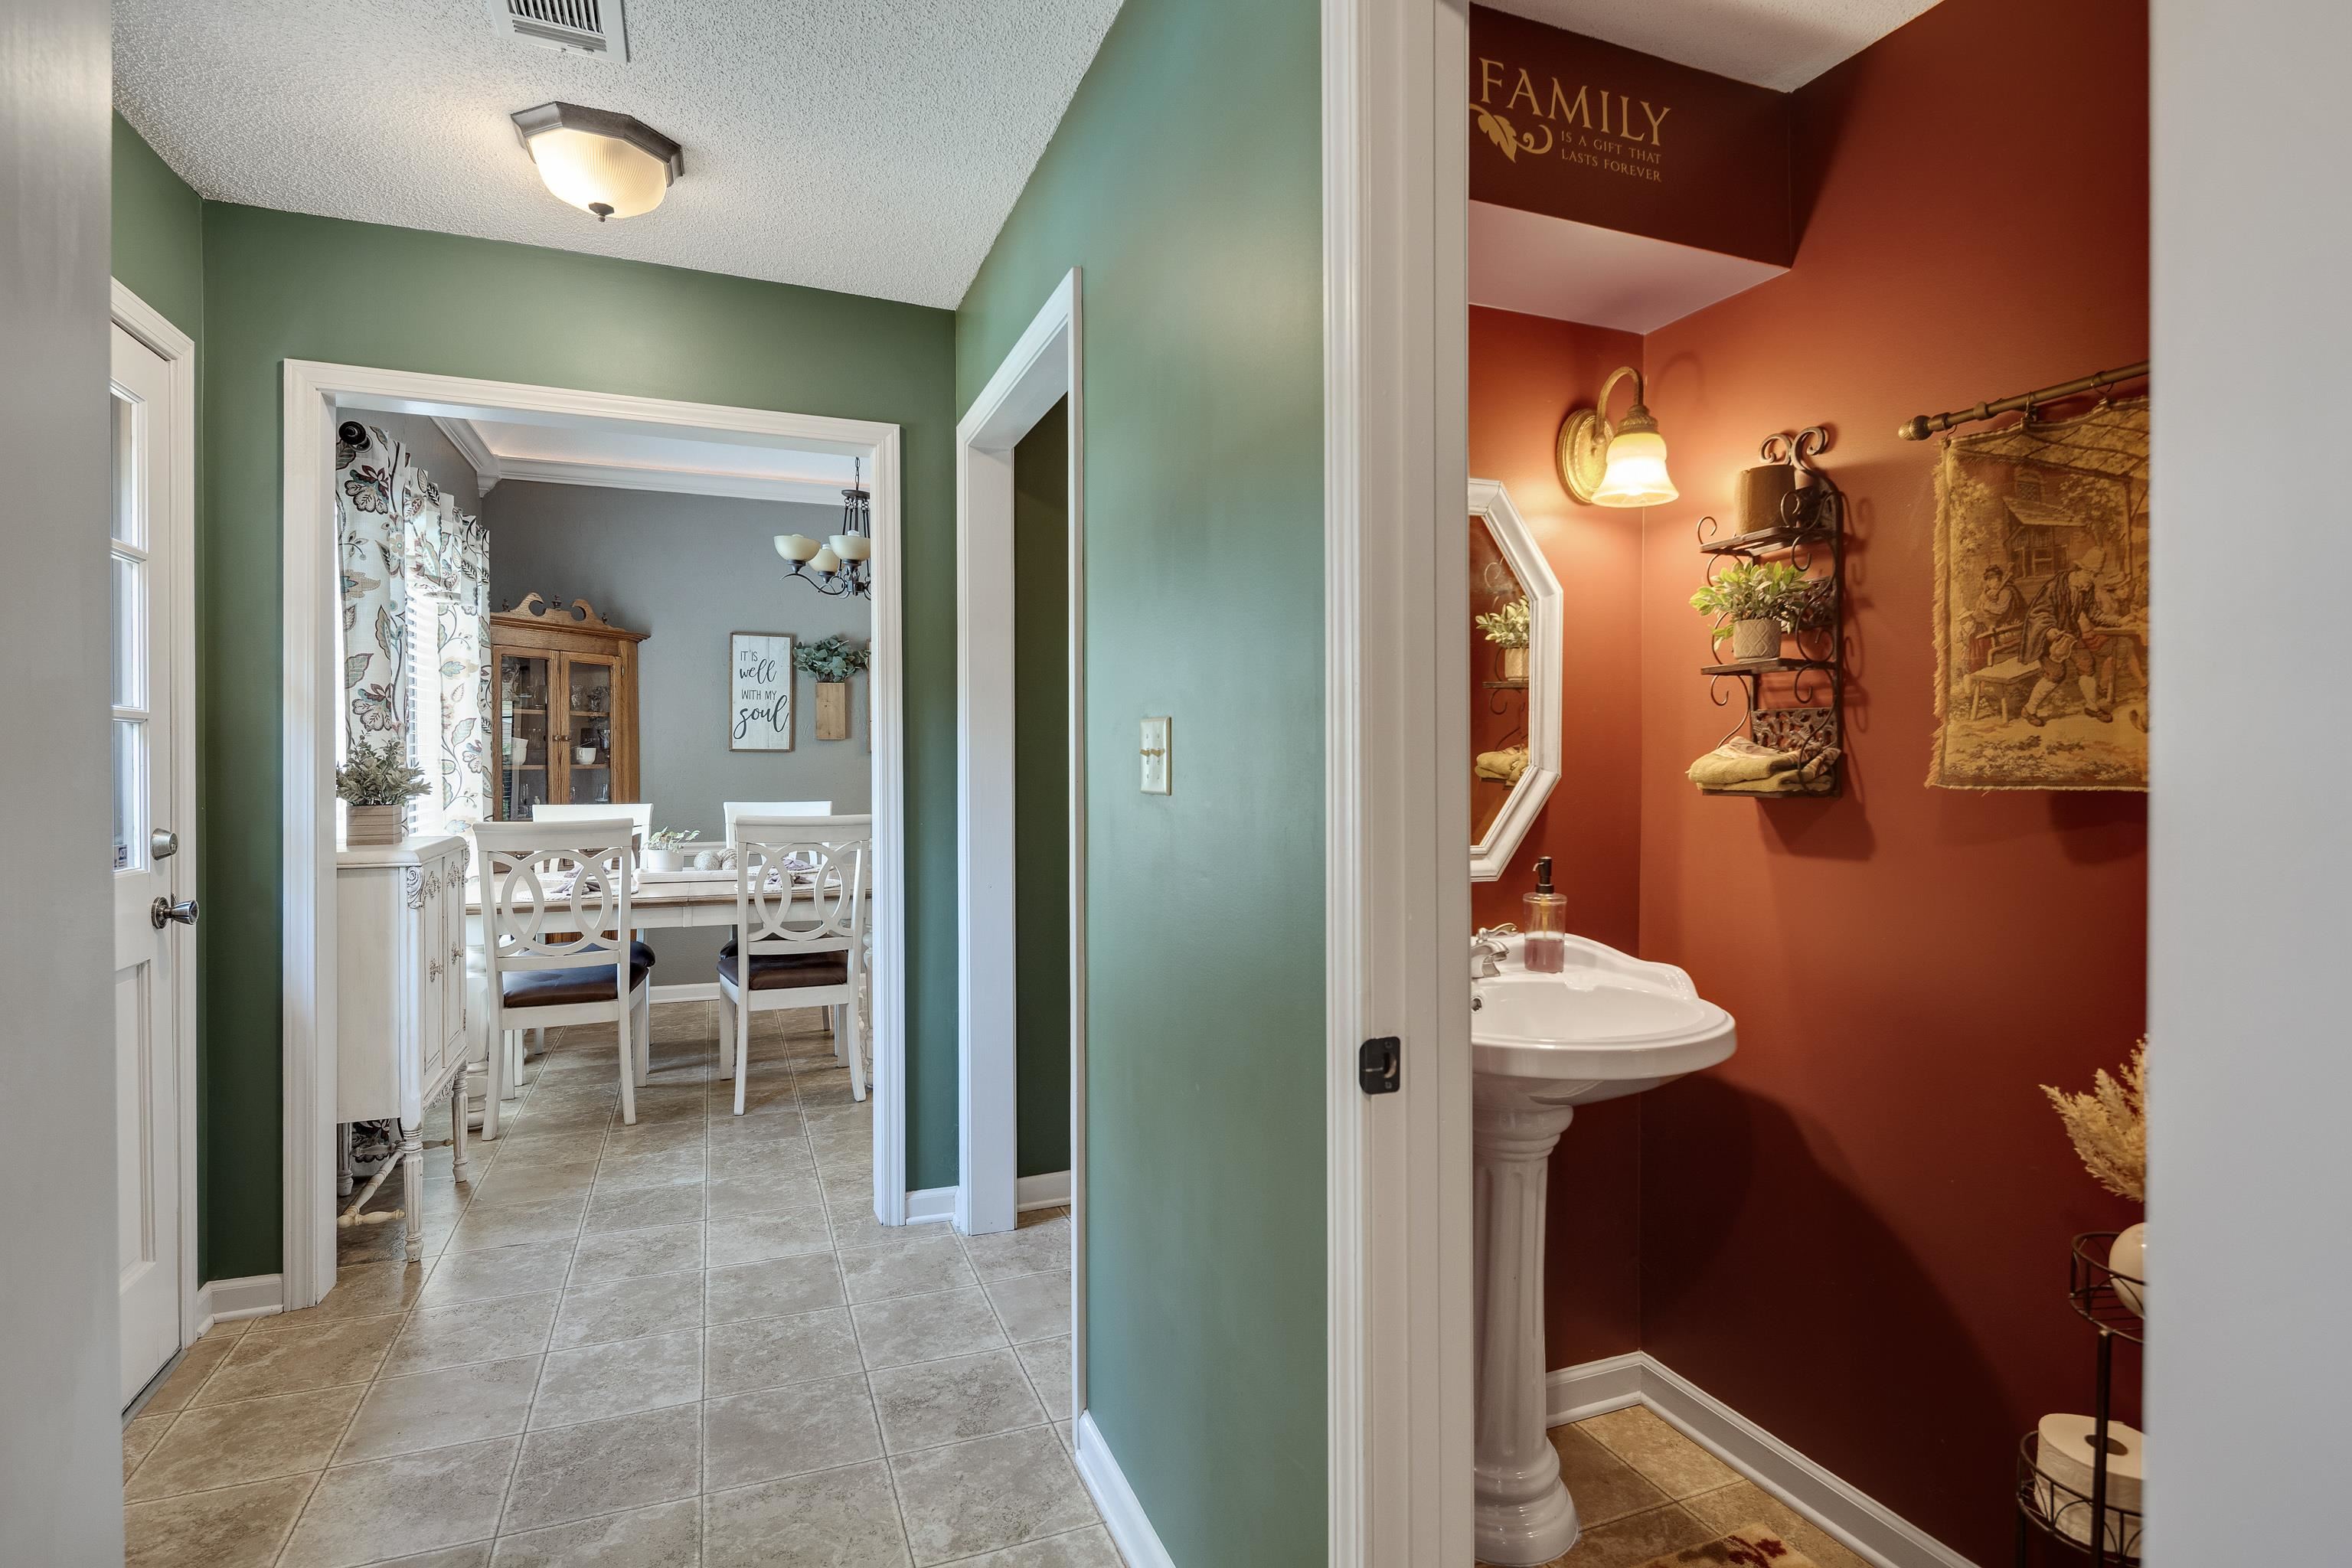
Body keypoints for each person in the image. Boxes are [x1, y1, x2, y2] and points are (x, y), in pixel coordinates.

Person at [2022, 554, 2112, 726]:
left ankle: (2092, 708)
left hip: (2071, 634)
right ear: (2079, 570)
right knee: (2056, 673)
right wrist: (2050, 630)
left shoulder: (2087, 589)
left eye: (2095, 575)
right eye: (2090, 574)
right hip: (2047, 638)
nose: (2092, 580)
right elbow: (2038, 613)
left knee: (2087, 664)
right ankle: (2029, 710)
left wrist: (2118, 620)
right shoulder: (2054, 587)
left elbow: (2094, 614)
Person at [1962, 563, 2027, 671]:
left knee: (1979, 637)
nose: (1990, 583)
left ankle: (1980, 666)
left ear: (2000, 579)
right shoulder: (1991, 592)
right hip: (1997, 624)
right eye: (1988, 580)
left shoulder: (2007, 591)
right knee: (1972, 634)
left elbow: (2000, 610)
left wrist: (1986, 604)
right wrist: (1984, 598)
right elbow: (1979, 608)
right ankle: (1973, 665)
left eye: (1993, 579)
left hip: (2011, 626)